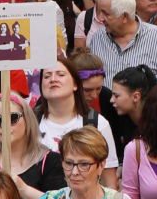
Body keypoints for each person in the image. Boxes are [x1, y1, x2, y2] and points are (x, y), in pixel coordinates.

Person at [34, 57, 119, 189]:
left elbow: (109, 182)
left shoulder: (97, 123)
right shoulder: (30, 124)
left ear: (75, 84)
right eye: (47, 76)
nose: (53, 79)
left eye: (60, 74)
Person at [87, 0, 157, 86]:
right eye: (99, 12)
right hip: (108, 102)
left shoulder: (155, 36)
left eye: (105, 13)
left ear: (125, 16)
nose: (100, 18)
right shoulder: (98, 38)